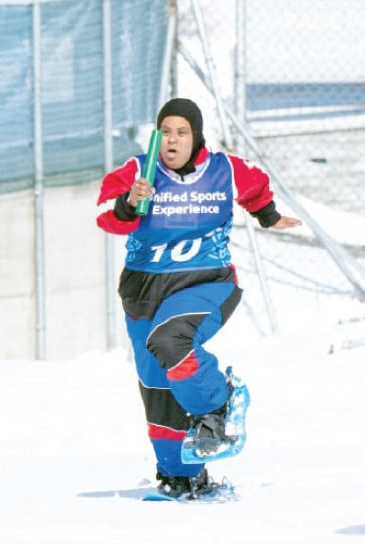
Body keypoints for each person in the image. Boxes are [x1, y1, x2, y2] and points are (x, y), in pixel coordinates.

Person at [96, 98, 301, 497]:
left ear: (196, 137)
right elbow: (106, 213)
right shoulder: (140, 171)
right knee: (156, 384)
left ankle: (219, 401)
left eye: (181, 132)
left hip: (204, 283)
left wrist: (269, 215)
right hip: (144, 290)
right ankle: (181, 474)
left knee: (170, 339)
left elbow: (255, 186)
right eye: (165, 132)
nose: (172, 140)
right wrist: (129, 203)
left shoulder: (223, 170)